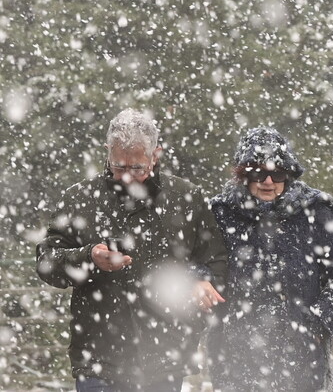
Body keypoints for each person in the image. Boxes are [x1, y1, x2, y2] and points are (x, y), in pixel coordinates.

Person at [36, 109, 227, 392]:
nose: (127, 177)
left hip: (165, 357)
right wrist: (88, 258)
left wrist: (201, 279)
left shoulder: (186, 198)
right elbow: (46, 263)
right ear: (106, 152)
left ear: (155, 155)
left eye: (137, 168)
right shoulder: (79, 198)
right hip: (99, 359)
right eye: (118, 166)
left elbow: (216, 260)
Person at [207, 127, 333, 392]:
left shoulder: (316, 209)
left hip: (300, 349)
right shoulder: (221, 213)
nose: (268, 181)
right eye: (258, 172)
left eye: (276, 173)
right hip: (237, 350)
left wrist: (318, 322)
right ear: (243, 174)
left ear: (287, 173)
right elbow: (201, 264)